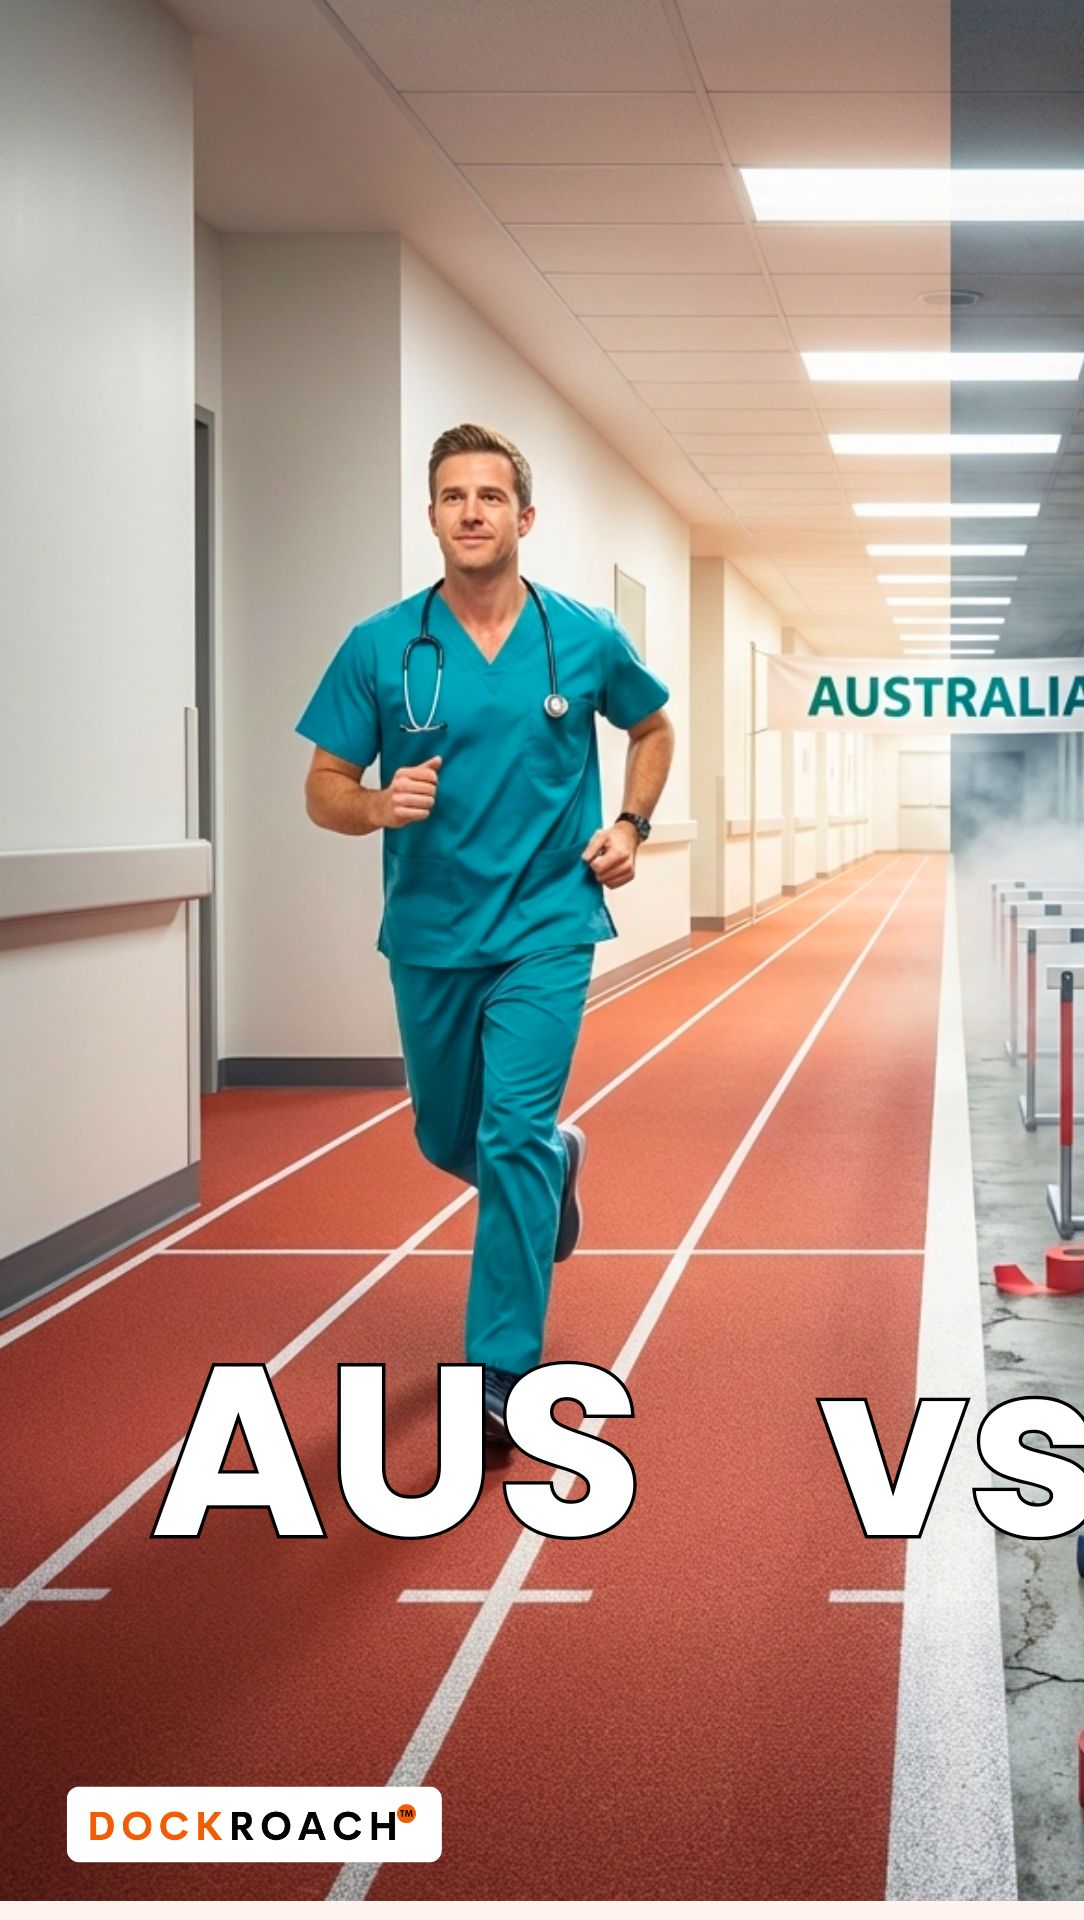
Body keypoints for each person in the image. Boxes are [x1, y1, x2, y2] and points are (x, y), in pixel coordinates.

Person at [297, 423, 674, 1447]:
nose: (472, 511)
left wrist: (630, 824)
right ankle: (557, 1165)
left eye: (491, 496)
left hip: (549, 923)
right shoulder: (382, 645)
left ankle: (502, 1367)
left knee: (507, 1135)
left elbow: (652, 727)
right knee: (444, 1134)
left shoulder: (583, 634)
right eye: (454, 496)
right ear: (433, 517)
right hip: (429, 928)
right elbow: (322, 789)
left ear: (524, 517)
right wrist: (376, 807)